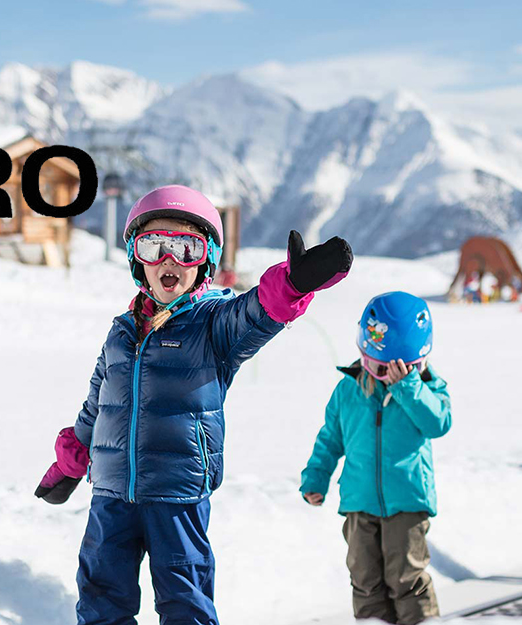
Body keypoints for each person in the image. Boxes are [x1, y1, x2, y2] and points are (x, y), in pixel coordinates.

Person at [32, 185, 354, 625]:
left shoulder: (213, 325)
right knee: (100, 594)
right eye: (154, 245)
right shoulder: (121, 332)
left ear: (204, 262)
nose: (169, 260)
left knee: (185, 598)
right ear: (135, 258)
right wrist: (69, 465)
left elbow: (258, 311)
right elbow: (97, 404)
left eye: (186, 247)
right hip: (110, 493)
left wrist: (293, 283)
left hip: (177, 493)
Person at [301, 292, 451, 625]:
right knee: (365, 581)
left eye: (398, 369)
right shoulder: (348, 390)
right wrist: (316, 478)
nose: (385, 376)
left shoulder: (427, 387)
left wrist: (408, 387)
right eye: (377, 366)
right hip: (359, 501)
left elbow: (438, 423)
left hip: (407, 502)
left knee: (406, 581)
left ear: (417, 363)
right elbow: (330, 439)